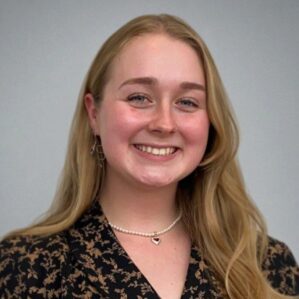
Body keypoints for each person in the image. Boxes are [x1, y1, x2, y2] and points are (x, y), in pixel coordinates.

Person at [0, 14, 298, 299]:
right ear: (94, 113)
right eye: (139, 97)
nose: (164, 124)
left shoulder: (268, 265)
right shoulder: (23, 269)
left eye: (187, 102)